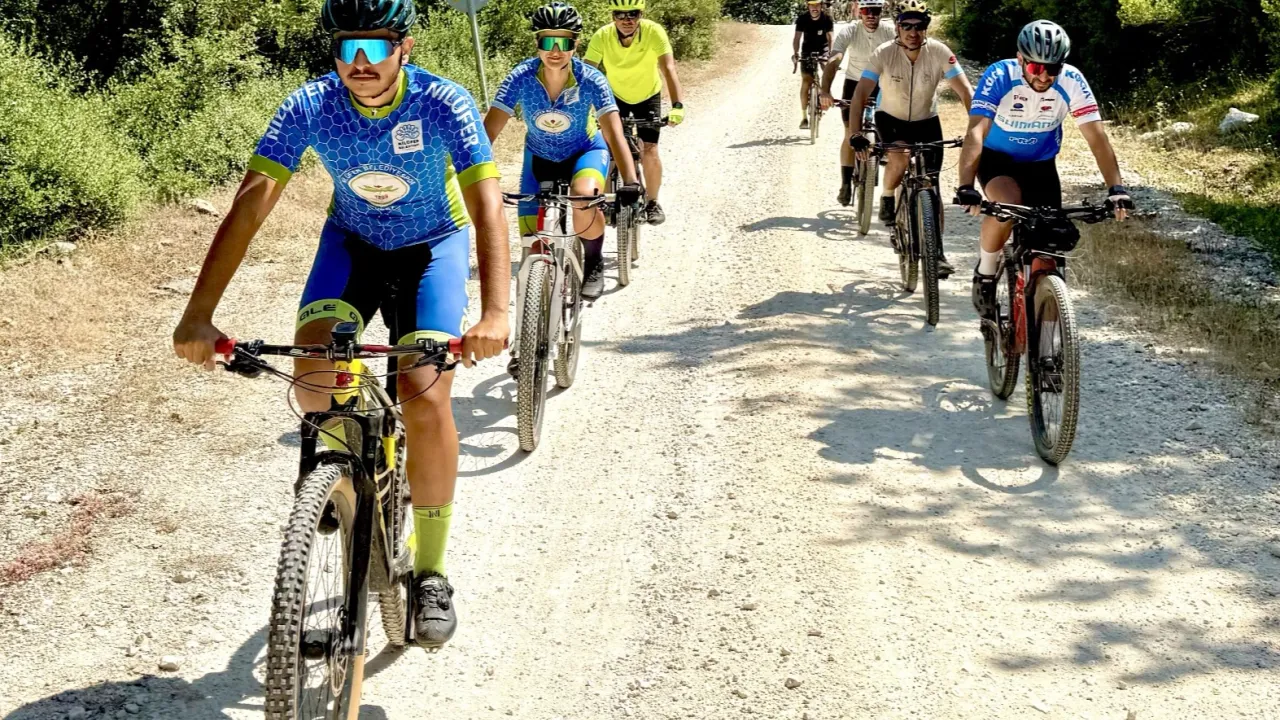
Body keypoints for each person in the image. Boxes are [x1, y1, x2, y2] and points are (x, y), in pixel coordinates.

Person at [171, 0, 509, 648]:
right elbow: (249, 206)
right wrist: (198, 314)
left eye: (375, 47)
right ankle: (347, 469)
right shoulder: (310, 105)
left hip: (431, 248)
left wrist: (495, 311)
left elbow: (487, 204)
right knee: (314, 374)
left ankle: (431, 571)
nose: (359, 62)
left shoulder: (444, 102)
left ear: (404, 48)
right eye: (346, 46)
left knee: (424, 394)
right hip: (352, 244)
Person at [955, 20, 1132, 318]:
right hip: (997, 160)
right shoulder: (1000, 74)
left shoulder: (1072, 81)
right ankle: (985, 273)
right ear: (1020, 59)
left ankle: (1048, 329)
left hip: (1040, 165)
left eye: (1052, 68)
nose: (1044, 76)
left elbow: (1097, 139)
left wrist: (1116, 189)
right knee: (1007, 204)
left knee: (1049, 248)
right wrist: (966, 186)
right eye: (1036, 67)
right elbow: (976, 131)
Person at [485, 2, 642, 310]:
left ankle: (593, 261)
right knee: (532, 245)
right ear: (537, 44)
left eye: (564, 43)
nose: (555, 51)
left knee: (583, 197)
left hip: (585, 152)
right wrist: (475, 177)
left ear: (575, 45)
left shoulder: (591, 79)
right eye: (548, 42)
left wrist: (631, 181)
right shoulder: (519, 77)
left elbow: (613, 133)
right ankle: (535, 324)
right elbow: (487, 132)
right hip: (539, 157)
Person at [847, 0, 972, 277]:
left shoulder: (939, 51)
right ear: (897, 27)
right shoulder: (883, 53)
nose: (913, 33)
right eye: (907, 26)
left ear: (926, 27)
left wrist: (977, 131)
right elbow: (860, 94)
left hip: (927, 121)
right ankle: (888, 195)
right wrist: (855, 134)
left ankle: (937, 253)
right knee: (900, 156)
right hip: (891, 119)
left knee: (932, 184)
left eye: (919, 26)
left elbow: (966, 93)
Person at [585, 0, 685, 226]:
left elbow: (668, 68)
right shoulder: (602, 35)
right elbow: (588, 73)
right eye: (620, 15)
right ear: (613, 16)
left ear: (641, 14)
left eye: (633, 14)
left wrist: (677, 105)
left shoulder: (653, 31)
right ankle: (605, 199)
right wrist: (582, 108)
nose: (627, 20)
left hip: (647, 95)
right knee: (609, 147)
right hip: (614, 96)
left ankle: (652, 202)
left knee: (650, 148)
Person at [820, 0, 895, 205]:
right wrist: (825, 90)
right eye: (866, 11)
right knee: (849, 133)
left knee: (890, 131)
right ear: (859, 12)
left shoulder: (890, 32)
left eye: (875, 11)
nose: (871, 15)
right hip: (854, 83)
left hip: (882, 84)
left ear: (881, 11)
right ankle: (845, 183)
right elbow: (835, 59)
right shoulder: (850, 31)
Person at [793, 0, 834, 130]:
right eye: (812, 5)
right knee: (806, 81)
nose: (815, 8)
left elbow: (830, 38)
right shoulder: (802, 19)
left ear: (821, 6)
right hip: (807, 50)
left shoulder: (827, 19)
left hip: (823, 49)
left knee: (827, 70)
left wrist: (830, 55)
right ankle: (804, 117)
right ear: (808, 6)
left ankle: (826, 93)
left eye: (817, 5)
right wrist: (796, 53)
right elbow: (797, 38)